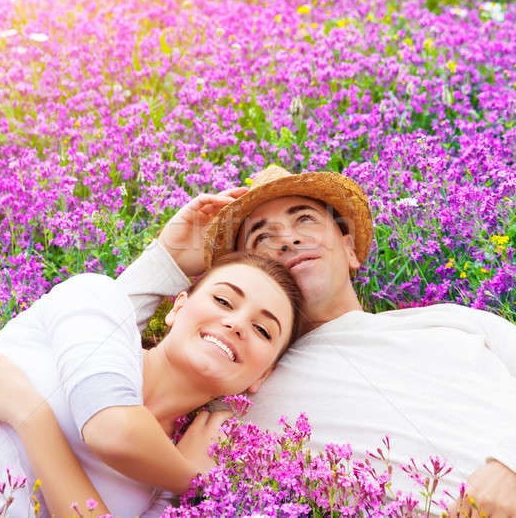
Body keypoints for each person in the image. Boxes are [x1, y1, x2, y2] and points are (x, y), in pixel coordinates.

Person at [111, 165, 516, 518]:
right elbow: (92, 365)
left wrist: (510, 464)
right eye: (262, 238)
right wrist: (166, 255)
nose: (287, 239)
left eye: (304, 220)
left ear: (350, 249)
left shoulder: (452, 321)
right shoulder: (238, 392)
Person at [0, 252, 301, 518]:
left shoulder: (166, 485)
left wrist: (29, 415)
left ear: (261, 377)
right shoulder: (103, 304)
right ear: (178, 308)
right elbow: (112, 431)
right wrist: (194, 477)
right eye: (223, 300)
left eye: (263, 330)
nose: (236, 324)